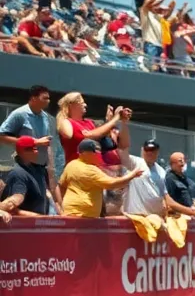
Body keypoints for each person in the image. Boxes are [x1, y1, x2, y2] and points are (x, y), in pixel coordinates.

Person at [0, 85, 64, 215]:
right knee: (19, 202)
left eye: (49, 98)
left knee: (39, 206)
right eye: (44, 98)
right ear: (33, 98)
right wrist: (34, 142)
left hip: (40, 169)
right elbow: (2, 136)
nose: (48, 101)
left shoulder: (46, 118)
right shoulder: (19, 114)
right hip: (22, 166)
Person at [59, 139, 144, 218]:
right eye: (95, 152)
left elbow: (62, 186)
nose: (98, 155)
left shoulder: (71, 165)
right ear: (84, 153)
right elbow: (112, 184)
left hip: (69, 211)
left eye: (99, 152)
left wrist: (63, 204)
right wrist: (132, 175)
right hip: (83, 216)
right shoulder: (91, 170)